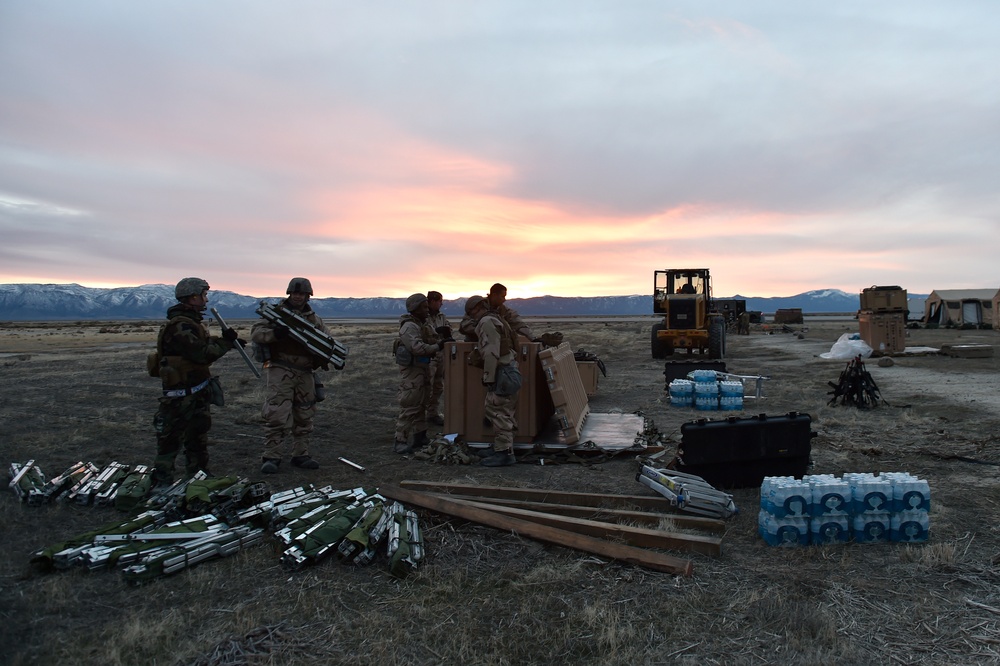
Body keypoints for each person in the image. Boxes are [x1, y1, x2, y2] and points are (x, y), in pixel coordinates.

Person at [152, 277, 239, 485]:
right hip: (180, 397)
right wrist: (226, 343)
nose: (206, 300)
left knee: (197, 438)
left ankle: (199, 478)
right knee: (170, 441)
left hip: (197, 392)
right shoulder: (180, 326)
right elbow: (201, 354)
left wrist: (223, 341)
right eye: (204, 295)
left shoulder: (191, 323)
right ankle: (161, 483)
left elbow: (203, 346)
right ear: (193, 297)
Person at [250, 277, 329, 474]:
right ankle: (271, 456)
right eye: (294, 293)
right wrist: (275, 334)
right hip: (280, 369)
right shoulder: (275, 314)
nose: (297, 296)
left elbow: (326, 342)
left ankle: (300, 455)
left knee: (304, 413)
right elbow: (256, 333)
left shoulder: (314, 319)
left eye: (301, 293)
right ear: (289, 293)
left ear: (308, 296)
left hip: (305, 372)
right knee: (276, 413)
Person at [464, 295, 521, 467]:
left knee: (498, 412)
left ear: (479, 307)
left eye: (471, 311)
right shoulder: (496, 319)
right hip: (508, 370)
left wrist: (488, 377)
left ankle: (504, 454)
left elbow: (491, 352)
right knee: (502, 412)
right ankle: (501, 447)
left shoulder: (487, 322)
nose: (471, 315)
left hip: (502, 372)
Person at [394, 293, 452, 454]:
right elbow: (417, 348)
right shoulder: (409, 327)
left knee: (422, 404)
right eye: (424, 307)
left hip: (423, 369)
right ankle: (400, 439)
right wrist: (438, 346)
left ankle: (420, 436)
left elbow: (432, 337)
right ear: (415, 308)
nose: (427, 310)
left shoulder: (423, 324)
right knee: (410, 405)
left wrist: (442, 337)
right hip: (413, 372)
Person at [424, 290, 452, 427]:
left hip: (441, 354)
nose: (441, 303)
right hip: (429, 354)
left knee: (438, 386)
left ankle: (432, 413)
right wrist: (436, 333)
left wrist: (446, 331)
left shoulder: (442, 316)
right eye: (440, 301)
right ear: (432, 301)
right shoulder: (423, 316)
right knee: (426, 385)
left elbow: (448, 328)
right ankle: (419, 414)